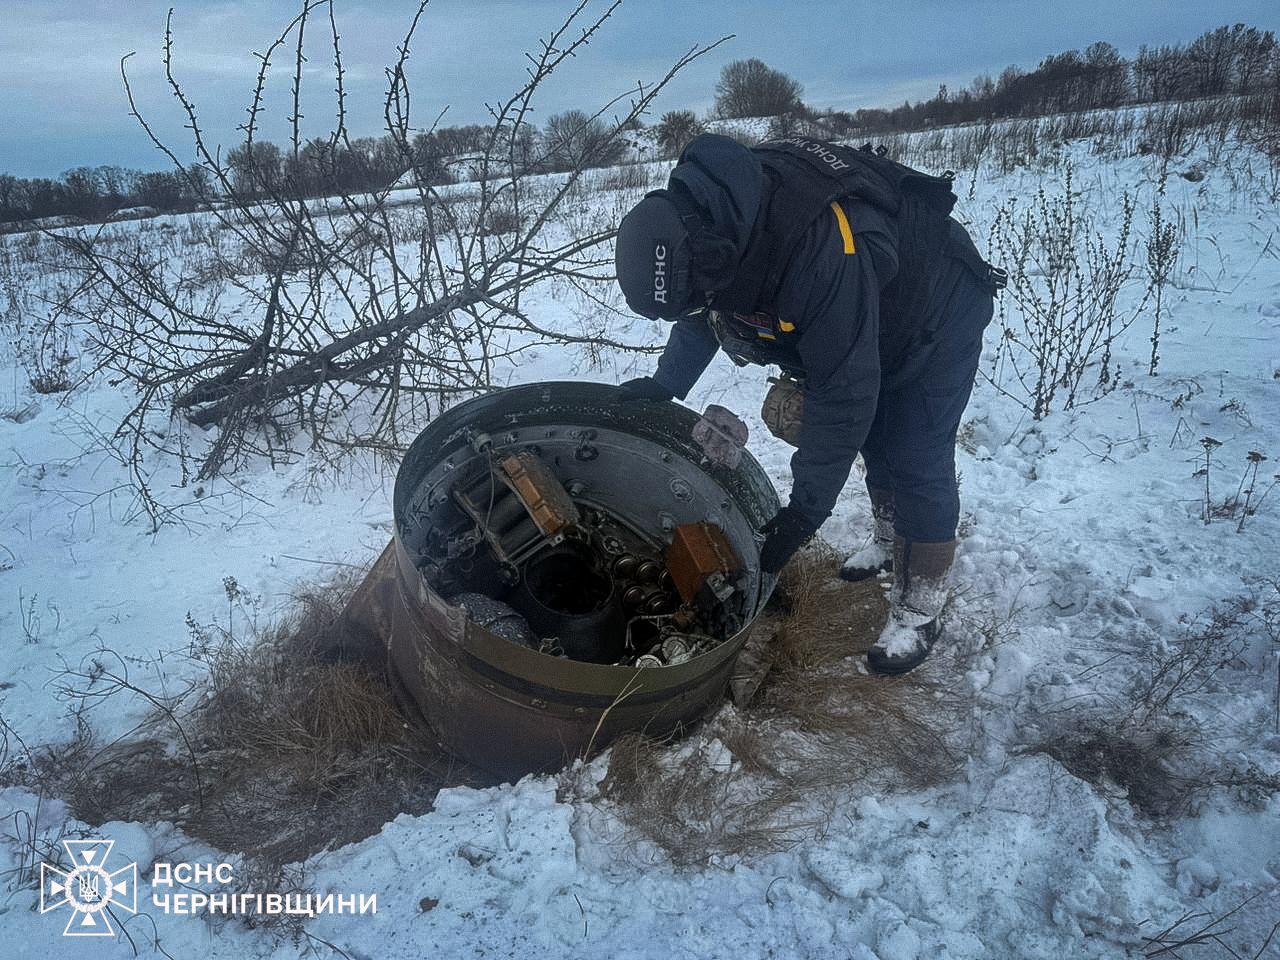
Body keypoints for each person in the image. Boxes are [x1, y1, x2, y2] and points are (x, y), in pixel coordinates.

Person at [612, 133, 1002, 674]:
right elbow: (705, 310)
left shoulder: (814, 250)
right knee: (874, 434)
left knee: (915, 450)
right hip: (868, 307)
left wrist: (804, 513)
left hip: (937, 307)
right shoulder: (710, 226)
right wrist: (667, 382)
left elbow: (844, 394)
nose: (700, 306)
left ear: (714, 258)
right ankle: (888, 539)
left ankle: (920, 609)